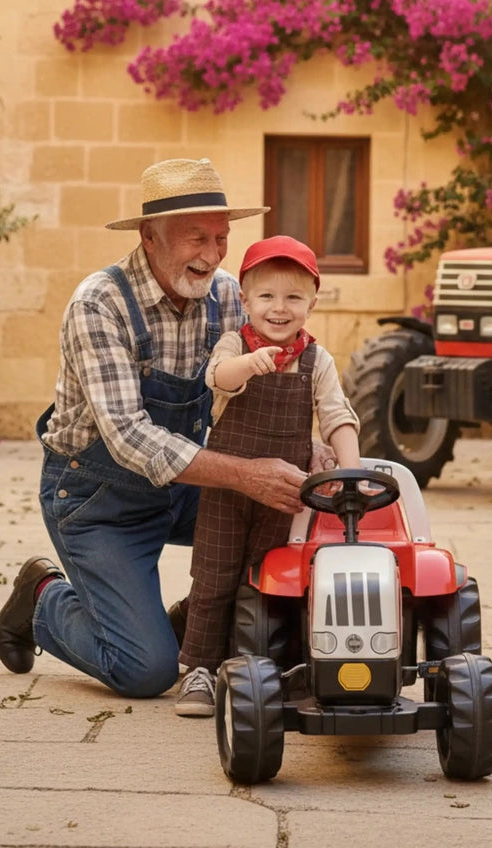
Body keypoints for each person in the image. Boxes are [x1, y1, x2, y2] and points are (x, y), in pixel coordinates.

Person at [0, 158, 321, 699]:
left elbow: (266, 391)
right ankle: (43, 598)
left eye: (221, 238)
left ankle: (198, 626)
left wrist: (312, 443)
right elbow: (126, 435)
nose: (213, 256)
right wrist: (244, 475)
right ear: (149, 236)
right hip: (100, 499)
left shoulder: (226, 295)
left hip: (190, 485)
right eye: (196, 239)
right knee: (144, 671)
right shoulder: (99, 304)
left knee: (287, 520)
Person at [173, 235, 361, 715]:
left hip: (285, 495)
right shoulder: (235, 344)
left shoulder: (317, 360)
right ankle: (197, 669)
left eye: (293, 297)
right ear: (245, 300)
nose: (279, 309)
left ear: (311, 304)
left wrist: (353, 470)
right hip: (226, 490)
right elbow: (217, 378)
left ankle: (249, 667)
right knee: (214, 575)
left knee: (264, 578)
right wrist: (248, 366)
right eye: (267, 297)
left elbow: (337, 415)